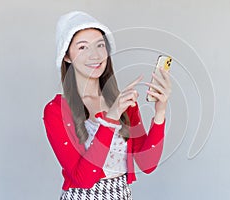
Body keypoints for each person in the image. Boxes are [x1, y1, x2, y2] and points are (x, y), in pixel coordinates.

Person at [42, 11, 171, 200]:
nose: (94, 55)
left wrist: (160, 112)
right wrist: (110, 118)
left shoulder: (124, 103)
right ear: (67, 56)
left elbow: (147, 164)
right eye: (83, 47)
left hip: (121, 195)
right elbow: (83, 179)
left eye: (100, 45)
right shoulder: (55, 111)